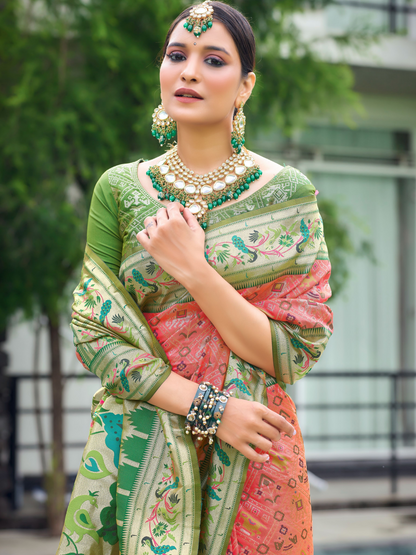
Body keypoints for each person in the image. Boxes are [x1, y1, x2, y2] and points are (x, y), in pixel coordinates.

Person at [56, 2, 333, 554]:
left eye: (213, 60)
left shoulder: (288, 194)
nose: (188, 71)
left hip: (254, 453)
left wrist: (193, 268)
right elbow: (93, 330)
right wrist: (211, 408)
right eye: (177, 55)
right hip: (137, 443)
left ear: (244, 86)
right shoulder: (120, 189)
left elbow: (292, 352)